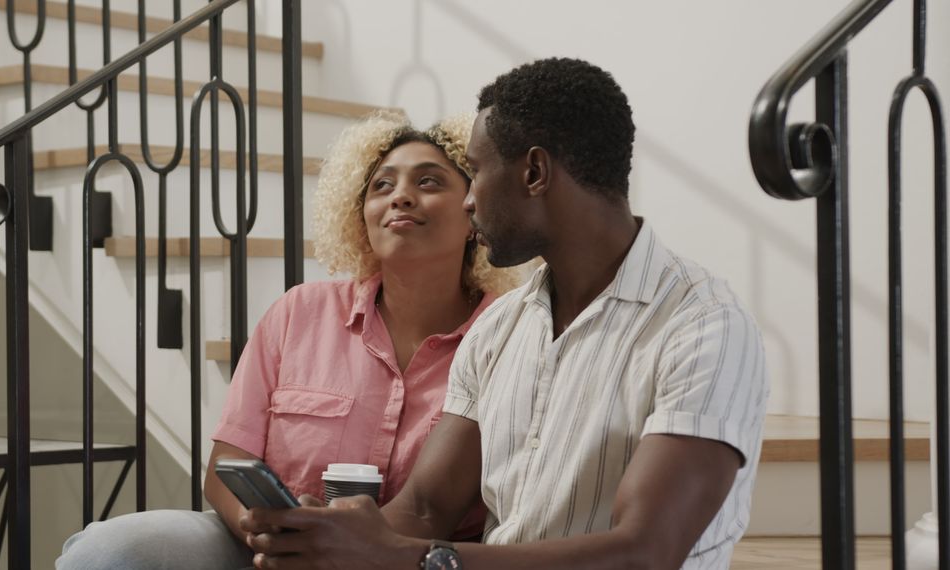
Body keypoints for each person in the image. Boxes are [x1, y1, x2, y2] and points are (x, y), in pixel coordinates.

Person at [242, 57, 769, 569]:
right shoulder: (500, 327)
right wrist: (335, 538)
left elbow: (643, 553)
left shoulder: (704, 327)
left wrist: (406, 557)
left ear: (534, 171)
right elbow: (426, 507)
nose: (468, 201)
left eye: (474, 171)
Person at [56, 111, 521, 569]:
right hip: (263, 548)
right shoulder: (300, 312)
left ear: (473, 213)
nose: (400, 196)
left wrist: (347, 550)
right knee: (110, 550)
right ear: (360, 217)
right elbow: (226, 466)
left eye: (429, 182)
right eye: (382, 185)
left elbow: (433, 510)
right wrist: (268, 535)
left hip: (413, 560)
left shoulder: (507, 335)